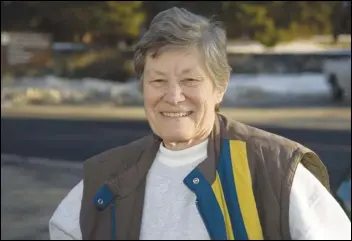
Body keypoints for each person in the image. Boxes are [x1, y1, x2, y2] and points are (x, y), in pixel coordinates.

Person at [49, 7, 351, 240]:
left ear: (220, 86)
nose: (174, 96)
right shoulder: (107, 177)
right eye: (157, 80)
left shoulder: (276, 169)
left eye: (190, 80)